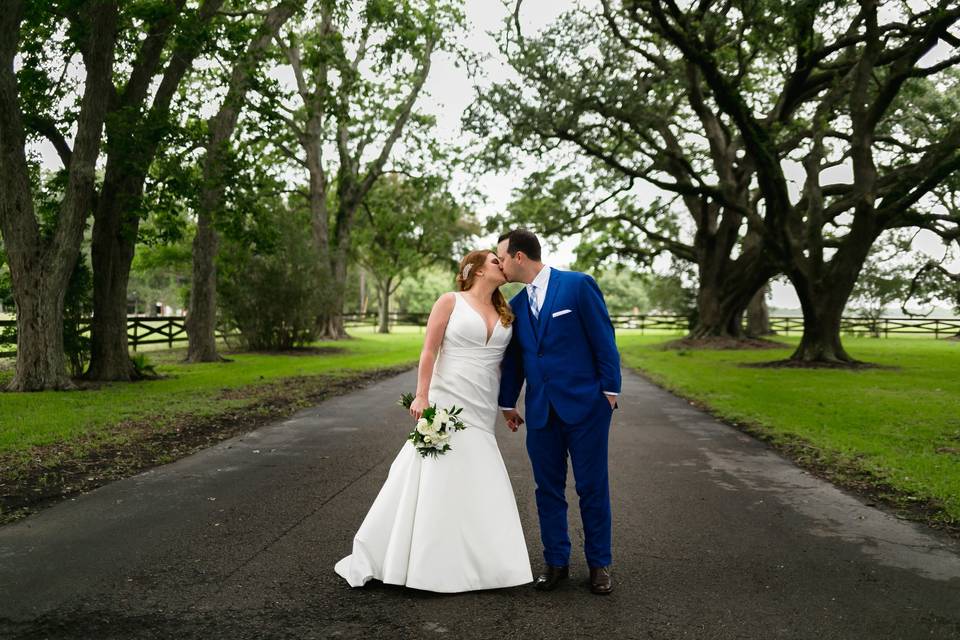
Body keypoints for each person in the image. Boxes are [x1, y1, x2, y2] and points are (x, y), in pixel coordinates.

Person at [334, 250, 533, 593]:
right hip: (448, 397)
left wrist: (507, 406)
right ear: (476, 270)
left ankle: (488, 563)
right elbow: (429, 350)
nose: (503, 265)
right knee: (436, 471)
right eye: (495, 261)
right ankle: (422, 560)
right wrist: (422, 395)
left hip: (482, 403)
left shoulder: (506, 311)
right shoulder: (450, 302)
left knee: (479, 473)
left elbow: (504, 365)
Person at [496, 229, 621, 595]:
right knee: (546, 490)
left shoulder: (578, 286)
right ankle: (556, 562)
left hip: (587, 408)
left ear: (519, 256)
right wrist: (508, 403)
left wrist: (609, 393)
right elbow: (517, 360)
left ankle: (599, 564)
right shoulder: (516, 306)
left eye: (502, 257)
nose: (500, 265)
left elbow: (604, 338)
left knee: (591, 487)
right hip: (541, 413)